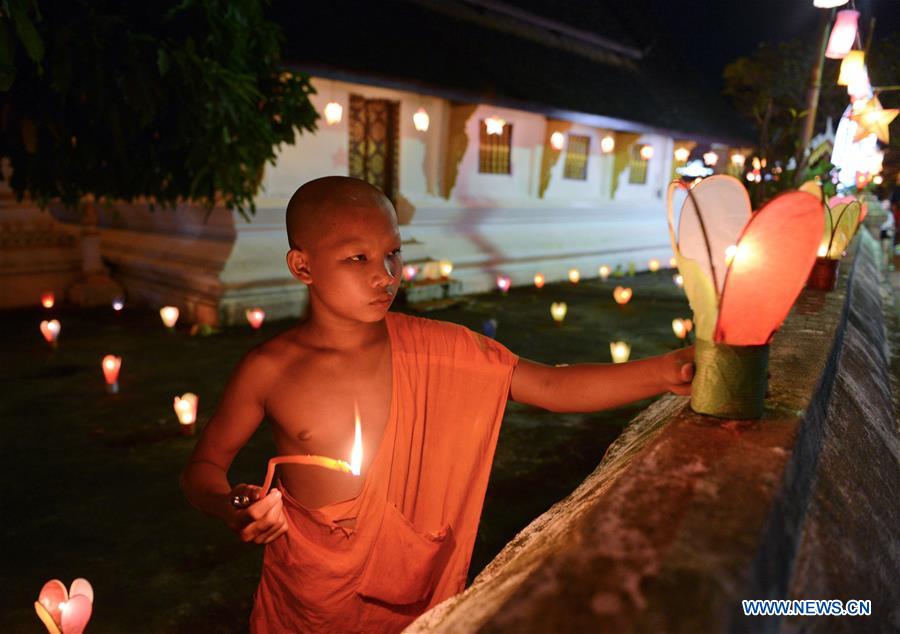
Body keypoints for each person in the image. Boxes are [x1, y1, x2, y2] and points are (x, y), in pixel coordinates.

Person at [180, 176, 694, 633]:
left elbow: (551, 387)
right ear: (302, 265)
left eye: (392, 253)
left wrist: (665, 371)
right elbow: (203, 467)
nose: (385, 274)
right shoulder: (270, 369)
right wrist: (234, 504)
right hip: (310, 592)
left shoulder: (441, 349)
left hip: (413, 586)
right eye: (356, 257)